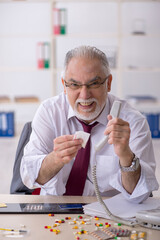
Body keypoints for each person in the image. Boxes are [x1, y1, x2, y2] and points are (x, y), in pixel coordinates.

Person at [20, 45, 159, 203]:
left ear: (108, 83)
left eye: (94, 84)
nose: (84, 95)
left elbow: (140, 195)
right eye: (74, 85)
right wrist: (55, 159)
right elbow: (28, 177)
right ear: (64, 85)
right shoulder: (49, 111)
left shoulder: (133, 121)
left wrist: (126, 155)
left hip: (110, 214)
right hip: (55, 212)